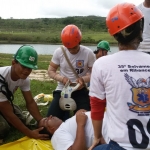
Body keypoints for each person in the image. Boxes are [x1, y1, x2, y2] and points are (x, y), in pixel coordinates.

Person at [89, 2, 150, 150]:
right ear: (140, 30)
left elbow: (97, 106)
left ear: (114, 34)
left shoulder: (102, 64)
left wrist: (97, 137)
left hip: (120, 146)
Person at [47, 24, 96, 121]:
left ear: (79, 42)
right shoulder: (59, 52)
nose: (72, 50)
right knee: (51, 120)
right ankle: (64, 115)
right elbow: (51, 71)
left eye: (74, 47)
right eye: (69, 48)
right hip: (63, 90)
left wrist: (83, 79)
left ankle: (67, 116)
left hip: (80, 90)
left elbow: (95, 73)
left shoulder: (88, 53)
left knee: (86, 119)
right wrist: (62, 79)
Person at [0, 45, 49, 142]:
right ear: (14, 63)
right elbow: (9, 114)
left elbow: (30, 102)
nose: (27, 71)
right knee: (3, 127)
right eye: (24, 66)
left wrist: (41, 121)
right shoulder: (1, 78)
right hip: (2, 104)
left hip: (2, 102)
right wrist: (29, 133)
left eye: (30, 68)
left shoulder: (24, 79)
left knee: (21, 119)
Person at [39, 109, 105, 150]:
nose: (50, 116)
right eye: (46, 120)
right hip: (109, 134)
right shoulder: (57, 135)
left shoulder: (65, 125)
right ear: (50, 129)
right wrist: (80, 125)